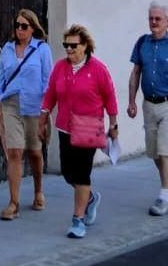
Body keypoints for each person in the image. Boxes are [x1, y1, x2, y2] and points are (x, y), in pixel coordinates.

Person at [39, 23, 118, 239]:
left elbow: (110, 96)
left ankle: (78, 220)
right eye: (66, 46)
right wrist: (43, 116)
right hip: (65, 126)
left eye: (74, 46)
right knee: (67, 173)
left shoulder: (98, 69)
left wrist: (113, 124)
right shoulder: (60, 67)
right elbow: (51, 94)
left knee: (82, 174)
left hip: (89, 127)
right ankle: (90, 198)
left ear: (85, 46)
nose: (69, 50)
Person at [127, 1, 168, 216]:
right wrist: (131, 101)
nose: (154, 22)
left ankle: (163, 196)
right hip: (150, 104)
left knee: (165, 151)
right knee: (154, 152)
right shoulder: (142, 44)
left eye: (158, 19)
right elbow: (136, 73)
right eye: (151, 19)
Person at [0, 8, 53, 219]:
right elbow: (0, 78)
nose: (19, 30)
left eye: (24, 26)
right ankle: (14, 203)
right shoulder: (8, 48)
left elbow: (48, 80)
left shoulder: (42, 49)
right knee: (15, 152)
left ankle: (38, 191)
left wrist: (46, 109)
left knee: (35, 152)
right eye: (17, 25)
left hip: (34, 105)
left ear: (33, 28)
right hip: (10, 104)